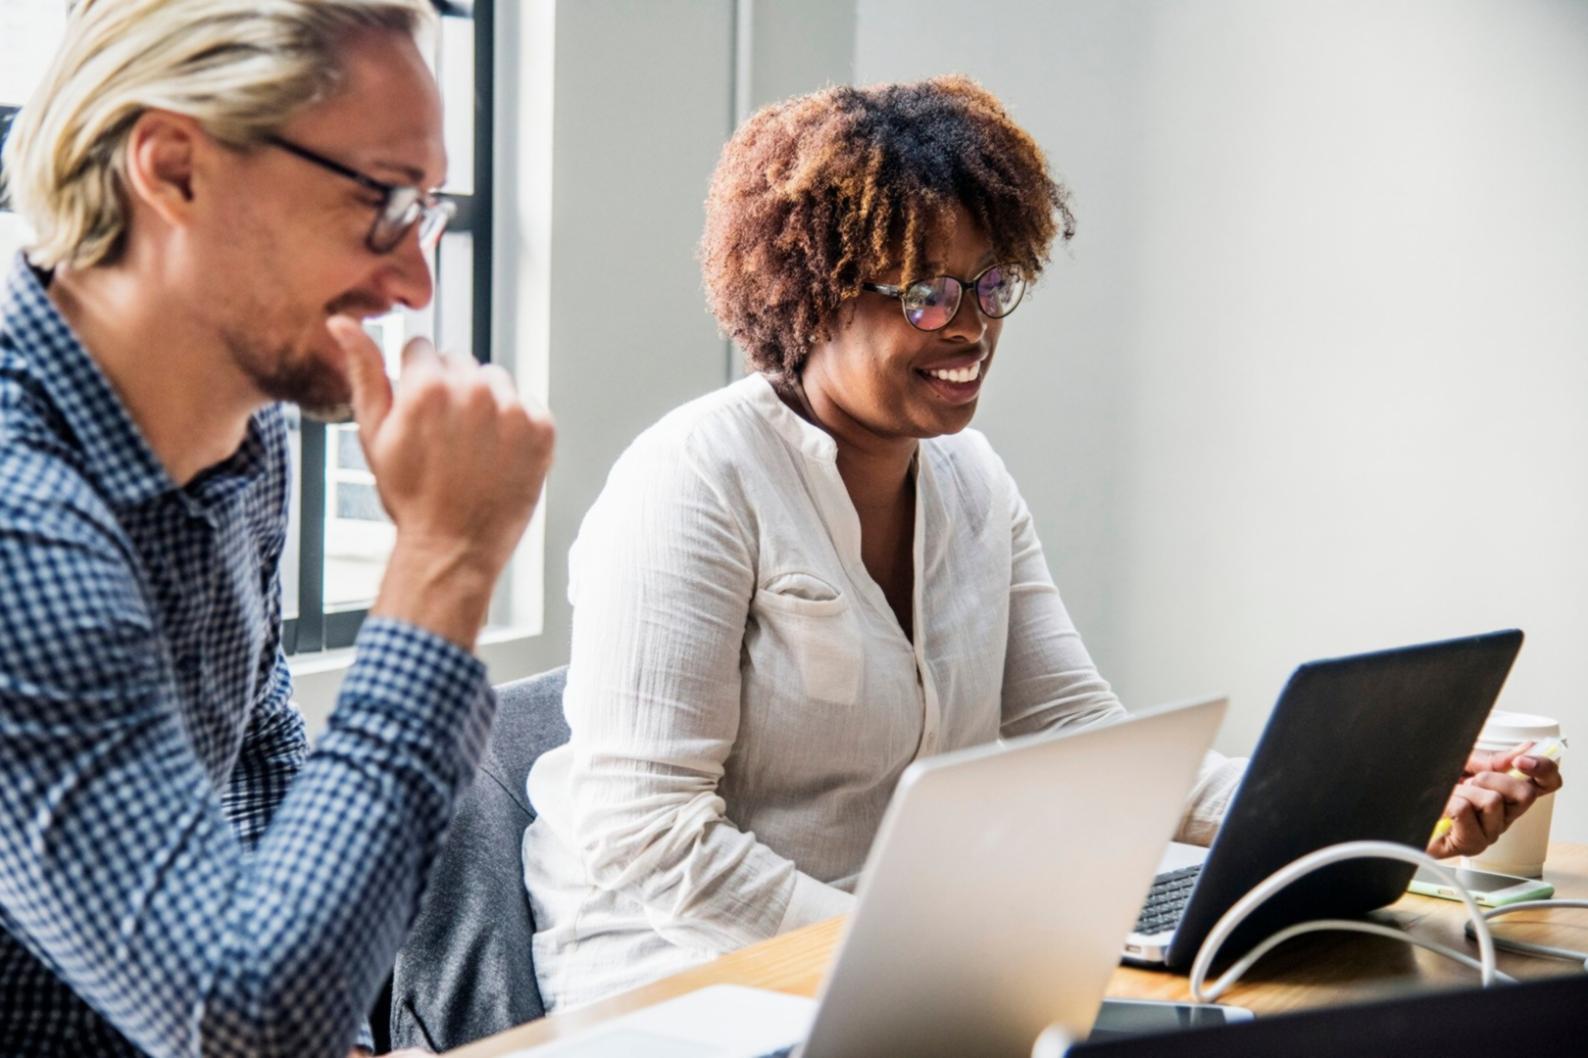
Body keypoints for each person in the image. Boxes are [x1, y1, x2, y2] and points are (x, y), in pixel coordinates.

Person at [519, 76, 1560, 1012]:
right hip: (684, 974)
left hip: (917, 958)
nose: (971, 326)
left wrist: (1373, 809)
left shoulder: (972, 481)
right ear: (813, 291)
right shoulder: (693, 481)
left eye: (989, 284)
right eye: (925, 292)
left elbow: (1082, 736)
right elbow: (648, 835)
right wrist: (897, 953)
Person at [0, 2, 553, 1056]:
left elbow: (256, 754)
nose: (416, 282)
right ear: (173, 168)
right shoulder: (21, 527)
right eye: (381, 201)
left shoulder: (244, 437)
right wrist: (444, 560)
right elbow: (244, 1021)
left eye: (427, 210)